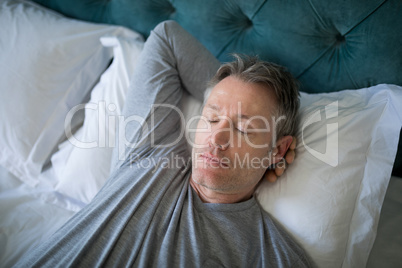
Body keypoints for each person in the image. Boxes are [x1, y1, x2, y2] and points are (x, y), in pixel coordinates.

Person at [15, 21, 310, 267]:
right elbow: (166, 38)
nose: (216, 139)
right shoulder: (149, 152)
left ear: (279, 150)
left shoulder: (271, 255)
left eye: (244, 129)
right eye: (210, 118)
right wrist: (228, 91)